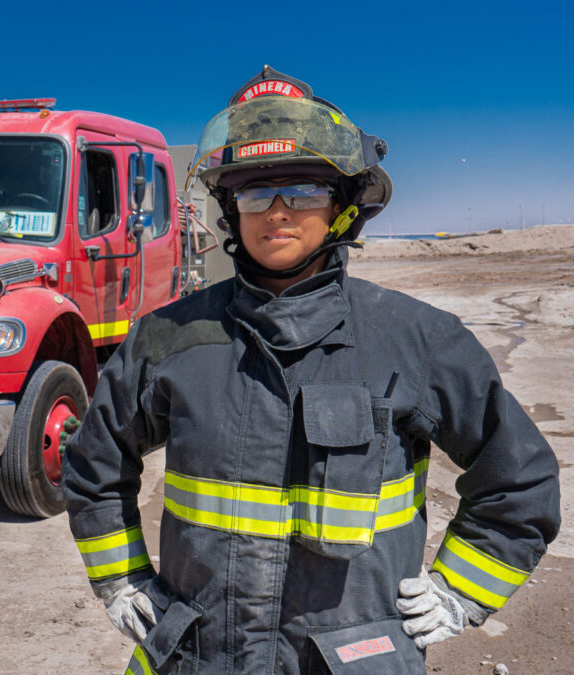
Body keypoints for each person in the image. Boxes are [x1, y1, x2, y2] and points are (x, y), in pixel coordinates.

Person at [62, 66, 560, 673]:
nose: (277, 212)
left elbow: (520, 481)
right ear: (229, 210)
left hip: (349, 657)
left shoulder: (418, 340)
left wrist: (462, 590)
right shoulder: (166, 337)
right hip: (199, 657)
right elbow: (94, 464)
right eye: (254, 193)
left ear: (343, 207)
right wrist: (122, 580)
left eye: (303, 193)